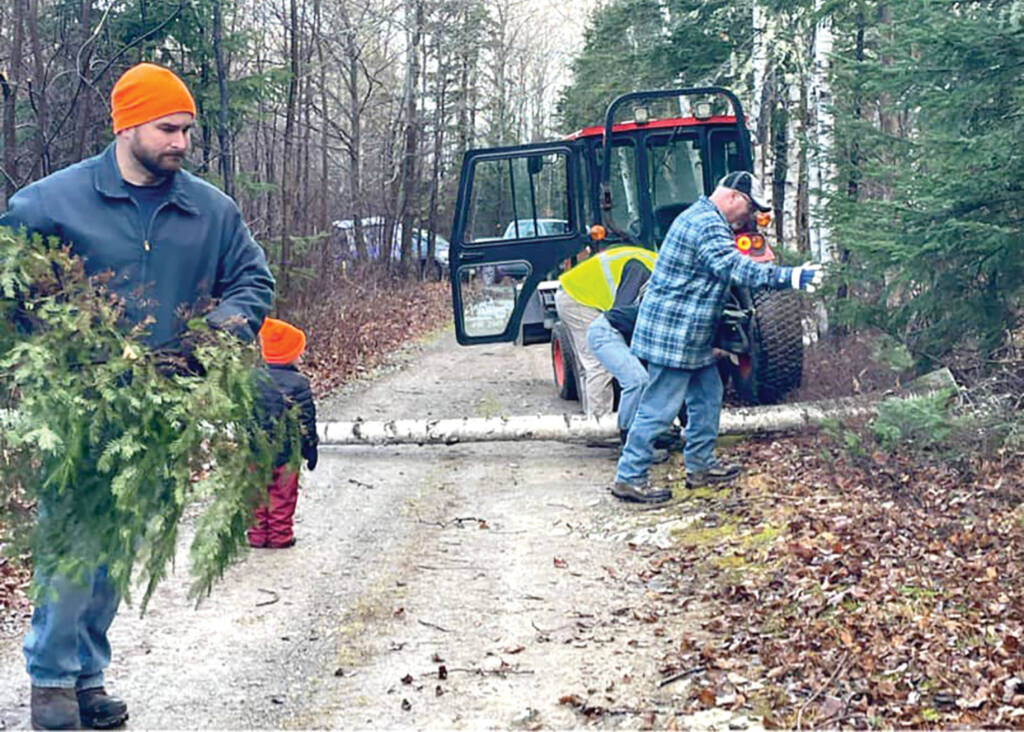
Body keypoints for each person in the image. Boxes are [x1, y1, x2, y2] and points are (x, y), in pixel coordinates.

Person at [0, 62, 274, 729]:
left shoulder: (209, 210)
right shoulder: (50, 203)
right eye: (168, 128)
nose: (181, 141)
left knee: (118, 545)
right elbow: (9, 283)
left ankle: (88, 674)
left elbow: (252, 284)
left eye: (187, 129)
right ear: (127, 125)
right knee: (73, 541)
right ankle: (52, 684)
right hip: (76, 406)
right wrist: (38, 346)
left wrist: (212, 335)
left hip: (158, 409)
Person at [611, 171, 824, 505]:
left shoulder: (704, 219)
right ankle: (629, 477)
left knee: (708, 394)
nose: (751, 216)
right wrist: (789, 276)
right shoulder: (706, 225)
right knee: (658, 408)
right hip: (675, 335)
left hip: (689, 334)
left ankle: (700, 465)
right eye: (750, 207)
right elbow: (734, 268)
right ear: (734, 198)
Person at [554, 245, 657, 417]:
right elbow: (620, 316)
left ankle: (591, 415)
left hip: (575, 292)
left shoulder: (654, 262)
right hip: (579, 298)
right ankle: (599, 425)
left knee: (589, 365)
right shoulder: (649, 271)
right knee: (599, 362)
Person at [248, 318, 319, 549]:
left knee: (256, 493)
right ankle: (280, 536)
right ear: (289, 354)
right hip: (286, 452)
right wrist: (310, 448)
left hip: (254, 451)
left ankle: (257, 536)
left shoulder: (251, 379)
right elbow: (306, 420)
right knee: (283, 495)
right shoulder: (299, 383)